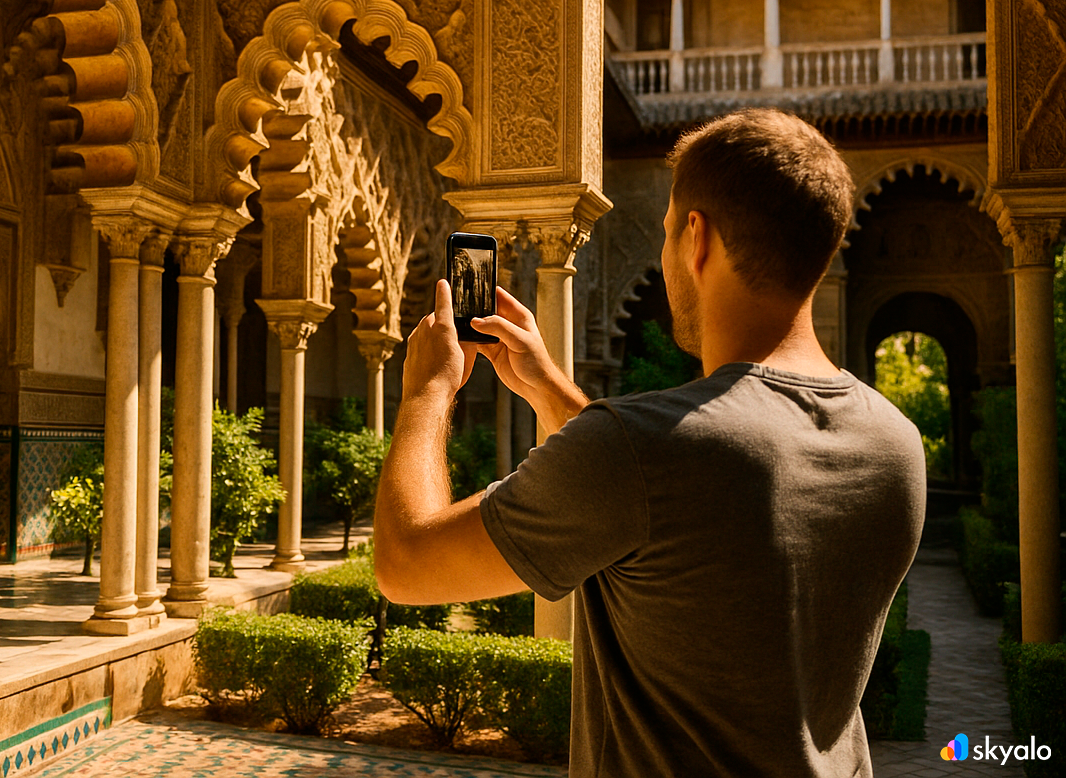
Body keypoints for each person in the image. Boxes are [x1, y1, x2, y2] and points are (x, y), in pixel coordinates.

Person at [374, 108, 926, 777]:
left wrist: (428, 393)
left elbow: (404, 564)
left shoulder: (635, 452)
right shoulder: (895, 443)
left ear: (697, 239)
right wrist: (548, 387)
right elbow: (678, 500)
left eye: (667, 232)